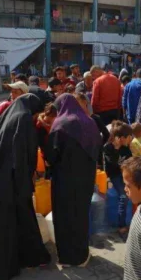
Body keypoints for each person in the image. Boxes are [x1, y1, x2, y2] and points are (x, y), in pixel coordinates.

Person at [44, 94, 101, 267]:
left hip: (64, 181)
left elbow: (51, 156)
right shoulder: (89, 122)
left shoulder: (60, 125)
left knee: (65, 217)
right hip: (85, 180)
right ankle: (82, 256)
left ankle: (68, 258)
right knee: (81, 215)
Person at [104, 121, 134, 238]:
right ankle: (122, 226)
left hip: (125, 174)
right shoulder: (108, 148)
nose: (131, 138)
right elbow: (113, 165)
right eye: (129, 137)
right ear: (120, 138)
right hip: (115, 175)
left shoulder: (126, 148)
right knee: (123, 195)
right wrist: (116, 149)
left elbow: (130, 162)